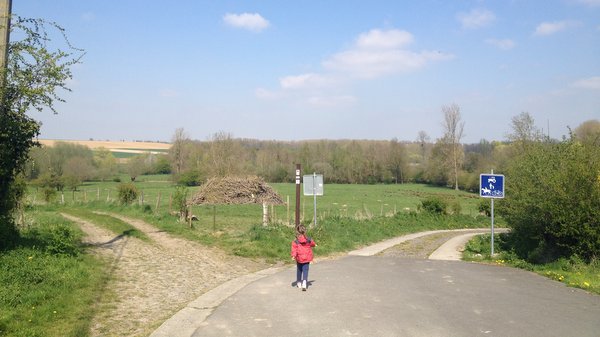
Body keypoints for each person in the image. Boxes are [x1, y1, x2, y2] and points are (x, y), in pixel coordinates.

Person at [291, 225, 316, 291]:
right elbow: (313, 243)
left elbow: (294, 249)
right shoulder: (308, 239)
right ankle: (304, 281)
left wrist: (293, 256)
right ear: (305, 231)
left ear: (297, 232)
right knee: (305, 270)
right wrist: (315, 245)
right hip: (307, 258)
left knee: (299, 270)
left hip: (299, 258)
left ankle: (299, 282)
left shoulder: (295, 241)